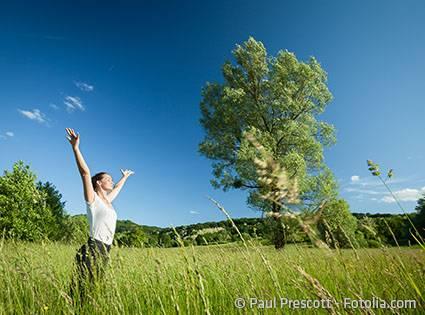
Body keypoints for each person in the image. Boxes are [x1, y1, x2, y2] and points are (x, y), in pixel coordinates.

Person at [66, 127, 134, 304]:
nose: (111, 181)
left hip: (106, 249)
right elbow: (85, 173)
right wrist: (75, 148)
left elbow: (117, 188)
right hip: (93, 248)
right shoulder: (93, 199)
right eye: (108, 179)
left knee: (93, 291)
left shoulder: (108, 201)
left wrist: (125, 177)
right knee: (80, 292)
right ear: (98, 182)